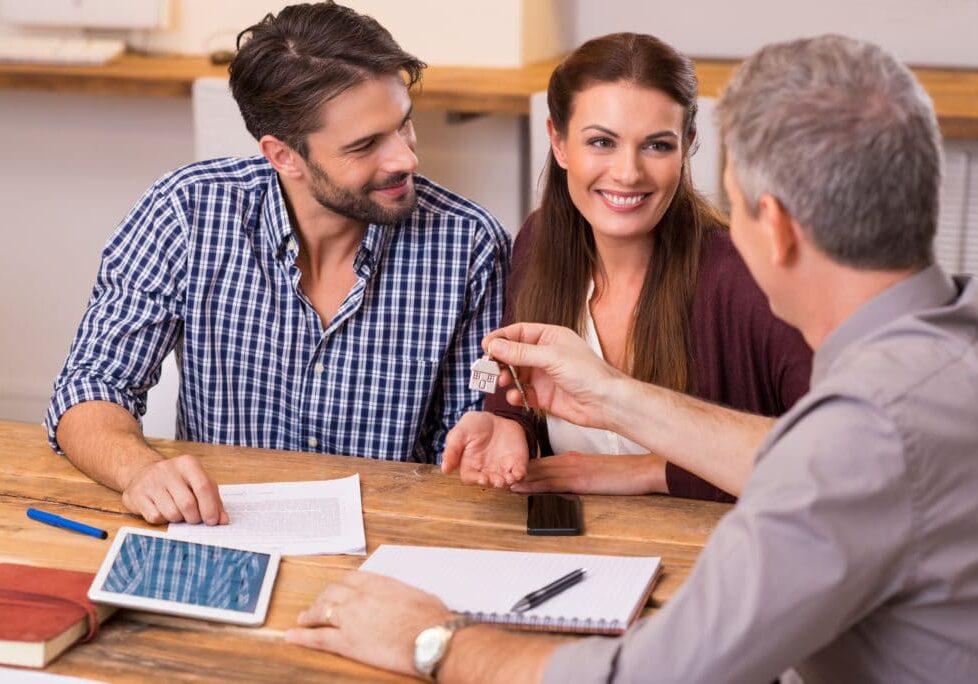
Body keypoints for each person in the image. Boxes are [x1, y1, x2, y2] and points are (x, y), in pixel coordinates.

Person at [285, 35, 978, 682]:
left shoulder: (870, 428)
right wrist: (607, 398)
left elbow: (652, 676)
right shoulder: (942, 356)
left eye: (735, 207)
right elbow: (809, 457)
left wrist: (431, 638)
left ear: (777, 229)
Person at [44, 2, 509, 527]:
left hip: (391, 545)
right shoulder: (187, 212)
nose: (405, 158)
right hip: (219, 534)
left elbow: (472, 447)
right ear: (283, 155)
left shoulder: (469, 246)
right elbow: (91, 385)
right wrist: (140, 471)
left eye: (404, 125)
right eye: (365, 145)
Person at [441, 33, 811, 503]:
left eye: (657, 146)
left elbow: (834, 462)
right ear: (557, 142)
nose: (628, 173)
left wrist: (650, 472)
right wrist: (508, 424)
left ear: (688, 145)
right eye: (601, 142)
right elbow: (522, 387)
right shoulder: (538, 244)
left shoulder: (745, 276)